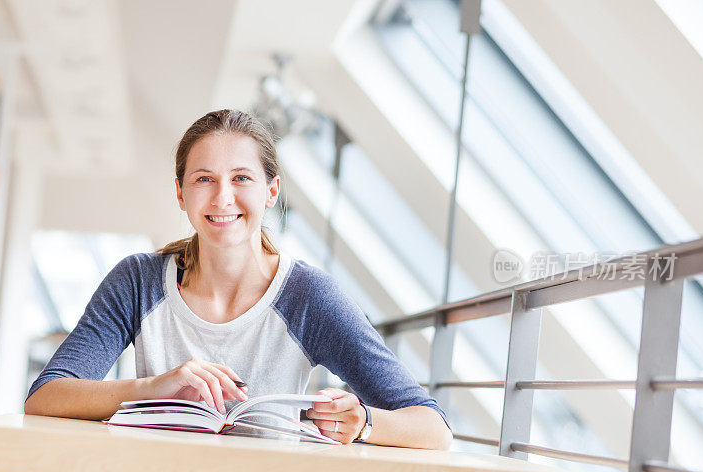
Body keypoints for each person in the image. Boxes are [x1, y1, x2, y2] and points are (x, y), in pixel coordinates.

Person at [24, 109, 452, 449]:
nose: (222, 197)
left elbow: (433, 428)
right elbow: (45, 397)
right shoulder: (137, 281)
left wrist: (364, 422)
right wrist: (154, 387)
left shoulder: (309, 296)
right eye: (204, 179)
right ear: (180, 193)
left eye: (241, 178)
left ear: (271, 191)